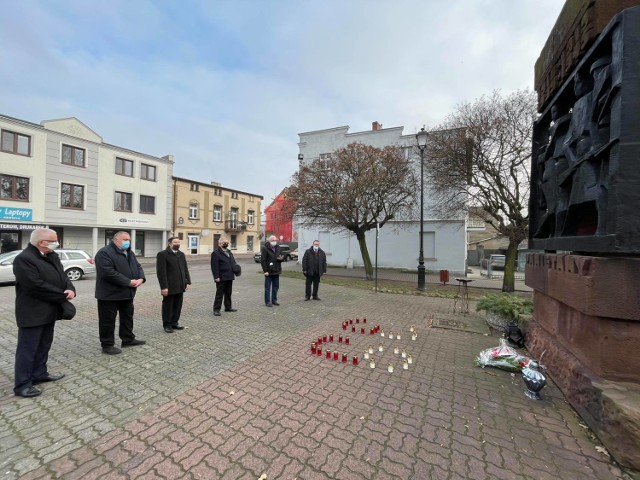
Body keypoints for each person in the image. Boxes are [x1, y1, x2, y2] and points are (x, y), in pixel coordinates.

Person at [13, 228, 76, 398]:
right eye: (54, 240)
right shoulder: (24, 259)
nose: (57, 243)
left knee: (44, 345)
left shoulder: (52, 255)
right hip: (32, 312)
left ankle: (40, 373)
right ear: (42, 242)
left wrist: (70, 288)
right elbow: (34, 285)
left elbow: (63, 276)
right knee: (28, 349)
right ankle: (23, 384)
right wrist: (61, 295)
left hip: (50, 310)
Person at [95, 231, 146, 354]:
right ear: (116, 240)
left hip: (127, 293)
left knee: (127, 317)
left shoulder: (129, 252)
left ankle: (128, 339)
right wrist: (128, 282)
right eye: (125, 239)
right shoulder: (104, 253)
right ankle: (107, 345)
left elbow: (138, 267)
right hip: (109, 295)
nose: (127, 242)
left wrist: (141, 278)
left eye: (128, 239)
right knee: (107, 321)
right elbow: (108, 272)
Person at [156, 237, 191, 333]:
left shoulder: (181, 254)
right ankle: (167, 325)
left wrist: (188, 281)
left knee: (178, 305)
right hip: (169, 286)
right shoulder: (163, 254)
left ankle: (174, 323)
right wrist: (164, 287)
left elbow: (185, 269)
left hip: (180, 285)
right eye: (175, 242)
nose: (177, 243)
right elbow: (161, 272)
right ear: (170, 243)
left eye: (179, 242)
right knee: (168, 306)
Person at [210, 236, 238, 316]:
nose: (226, 244)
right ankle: (216, 309)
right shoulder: (215, 253)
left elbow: (233, 262)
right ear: (219, 244)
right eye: (224, 243)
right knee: (219, 294)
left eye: (227, 243)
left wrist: (236, 269)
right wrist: (216, 277)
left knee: (228, 293)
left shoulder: (229, 252)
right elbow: (214, 266)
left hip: (229, 276)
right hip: (221, 277)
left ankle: (228, 307)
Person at [261, 235, 284, 307]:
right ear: (269, 241)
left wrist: (281, 259)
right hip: (269, 271)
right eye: (273, 240)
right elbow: (263, 260)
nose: (274, 242)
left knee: (276, 287)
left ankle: (274, 300)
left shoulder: (278, 247)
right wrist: (265, 271)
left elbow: (281, 256)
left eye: (275, 240)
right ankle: (267, 302)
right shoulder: (265, 248)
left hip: (276, 270)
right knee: (268, 287)